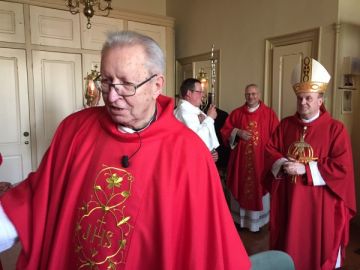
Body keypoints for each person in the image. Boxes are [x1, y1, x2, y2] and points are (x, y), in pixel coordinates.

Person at [0, 31, 251, 270]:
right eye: (106, 82)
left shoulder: (189, 152)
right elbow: (40, 195)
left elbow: (208, 242)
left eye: (126, 85)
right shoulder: (74, 130)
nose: (112, 97)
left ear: (156, 85)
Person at [265, 57, 356, 270]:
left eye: (308, 98)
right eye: (299, 98)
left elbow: (342, 168)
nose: (303, 103)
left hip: (319, 204)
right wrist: (280, 162)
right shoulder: (286, 125)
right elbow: (270, 151)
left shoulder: (336, 129)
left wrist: (305, 169)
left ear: (320, 100)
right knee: (289, 245)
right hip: (289, 200)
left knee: (316, 248)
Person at [220, 84, 279, 232]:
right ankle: (239, 221)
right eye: (248, 94)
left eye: (253, 94)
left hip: (260, 161)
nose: (250, 97)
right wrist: (237, 132)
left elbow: (277, 137)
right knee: (239, 185)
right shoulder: (236, 113)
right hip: (240, 162)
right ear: (244, 95)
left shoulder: (269, 114)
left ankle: (256, 223)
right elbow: (225, 131)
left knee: (258, 187)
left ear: (259, 95)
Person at [174, 78, 220, 162]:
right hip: (190, 160)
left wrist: (211, 151)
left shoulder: (194, 110)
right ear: (189, 93)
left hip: (201, 158)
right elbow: (196, 138)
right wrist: (210, 118)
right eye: (199, 92)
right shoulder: (184, 112)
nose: (203, 95)